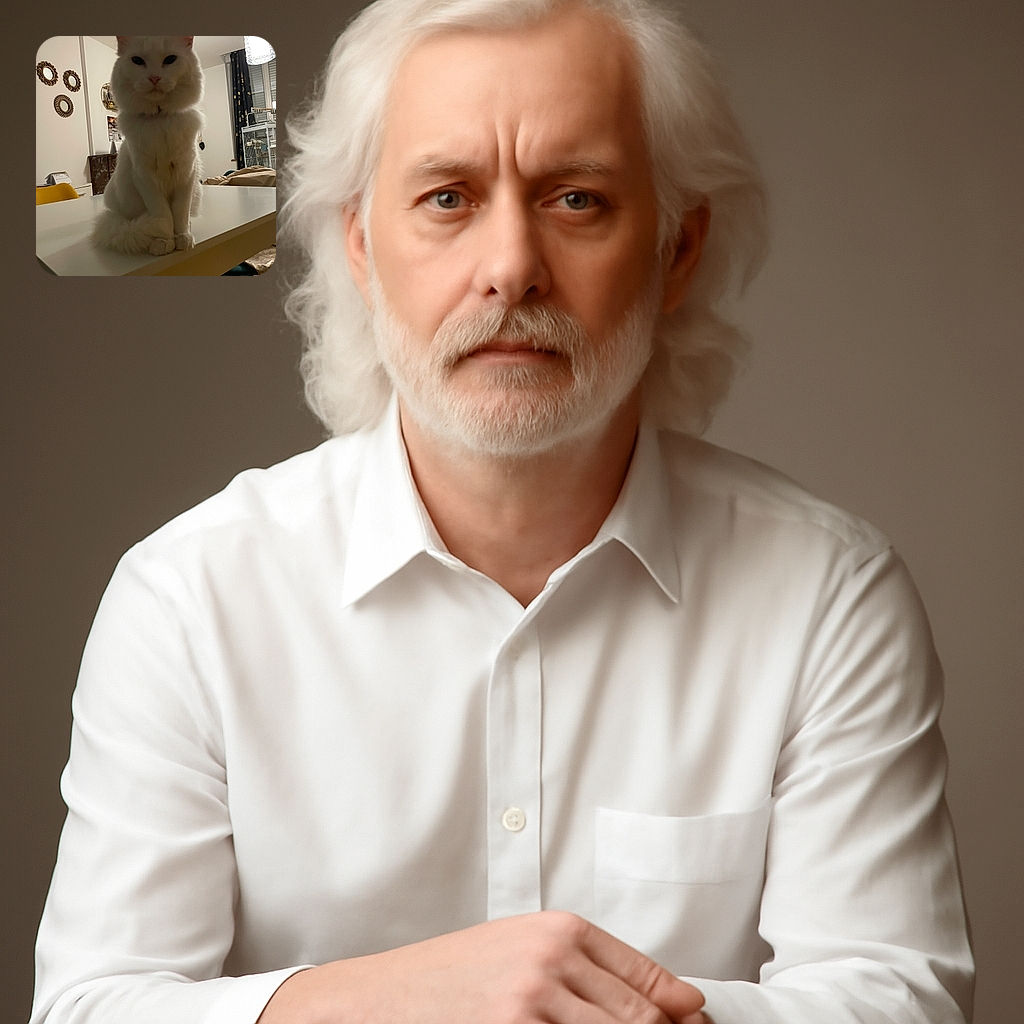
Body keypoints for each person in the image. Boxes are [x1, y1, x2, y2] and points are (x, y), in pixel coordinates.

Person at [30, 1, 974, 1022]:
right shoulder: (189, 600)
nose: (512, 266)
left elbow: (897, 999)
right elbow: (90, 1005)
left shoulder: (830, 598)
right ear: (360, 245)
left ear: (676, 250)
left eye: (576, 198)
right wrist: (399, 1000)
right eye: (447, 197)